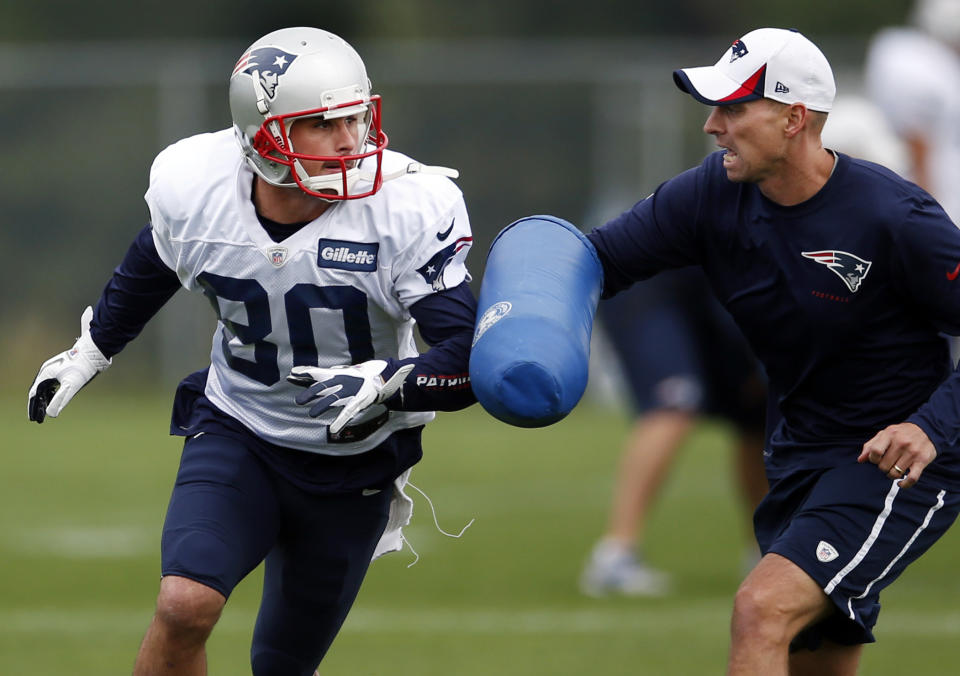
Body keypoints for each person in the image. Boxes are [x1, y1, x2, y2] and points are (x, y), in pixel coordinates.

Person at [26, 27, 477, 675]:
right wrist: (91, 350)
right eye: (322, 123)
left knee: (281, 666)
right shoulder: (198, 187)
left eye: (355, 116)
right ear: (263, 134)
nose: (349, 139)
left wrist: (389, 383)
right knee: (183, 605)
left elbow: (464, 357)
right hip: (239, 428)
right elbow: (155, 259)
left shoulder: (405, 206)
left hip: (352, 462)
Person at [582, 27, 960, 674]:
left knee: (761, 609)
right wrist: (490, 321)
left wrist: (929, 429)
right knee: (814, 655)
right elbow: (596, 260)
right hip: (798, 456)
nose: (711, 126)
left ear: (794, 118)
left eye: (732, 108)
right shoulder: (710, 194)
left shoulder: (896, 219)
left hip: (900, 462)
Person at [580, 267, 768, 597]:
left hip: (711, 291)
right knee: (674, 403)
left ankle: (765, 552)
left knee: (757, 412)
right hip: (650, 281)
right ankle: (616, 556)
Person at [864, 0, 960, 223]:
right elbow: (917, 145)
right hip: (934, 199)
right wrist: (929, 218)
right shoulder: (918, 66)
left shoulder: (919, 59)